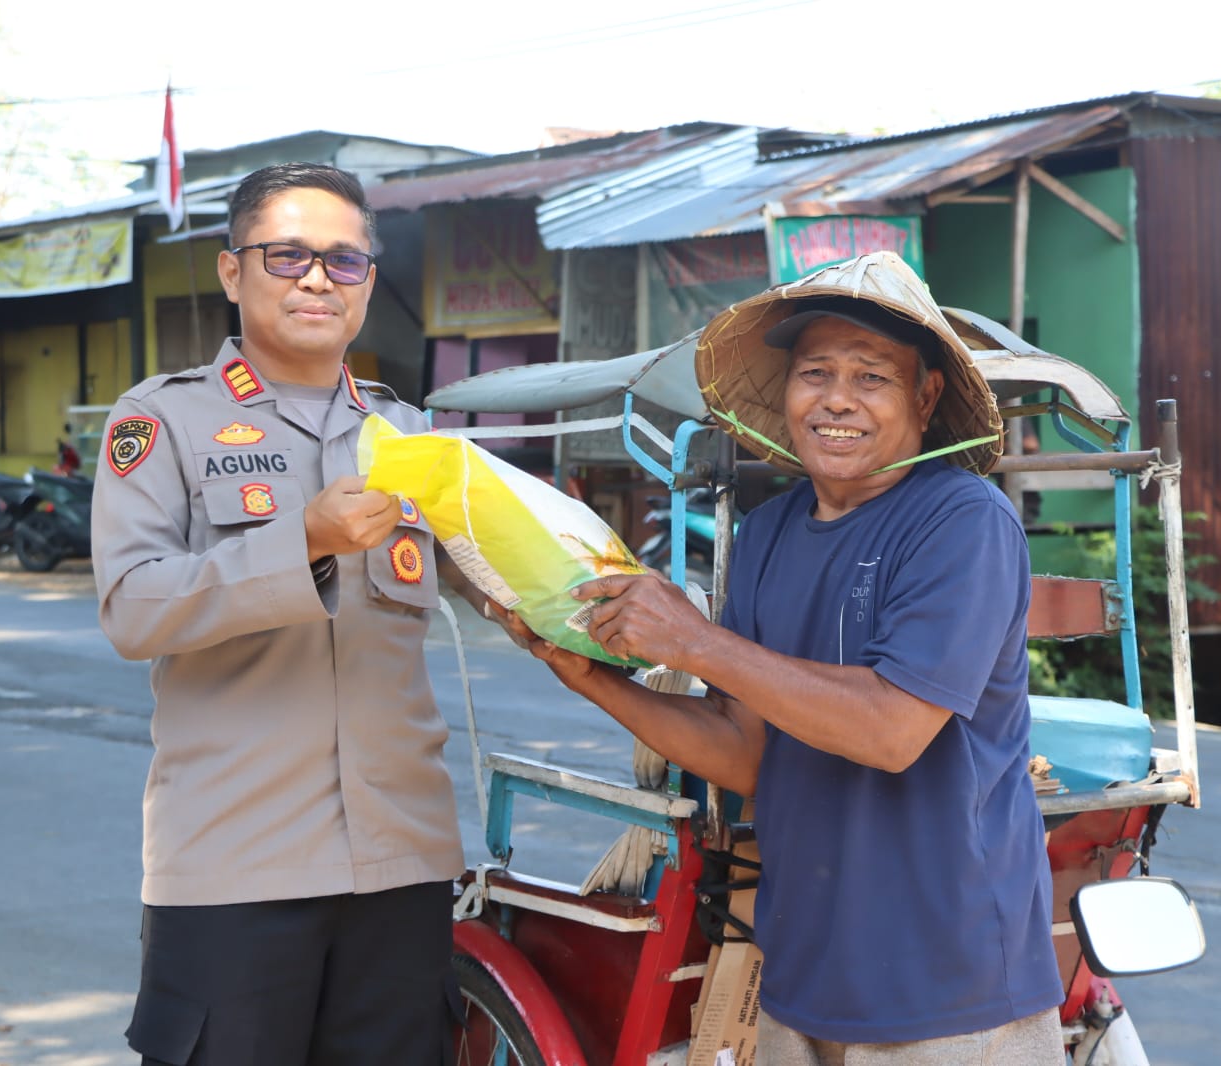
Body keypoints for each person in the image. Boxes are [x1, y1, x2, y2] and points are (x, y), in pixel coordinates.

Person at [504, 252, 1065, 1065]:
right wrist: (591, 677)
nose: (837, 399)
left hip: (950, 988)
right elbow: (745, 751)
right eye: (816, 373)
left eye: (871, 376)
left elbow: (891, 731)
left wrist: (694, 641)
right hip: (804, 972)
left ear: (926, 395)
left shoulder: (962, 521)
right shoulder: (767, 538)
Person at [92, 162, 479, 1066]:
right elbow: (133, 608)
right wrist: (302, 536)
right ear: (234, 273)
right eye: (288, 255)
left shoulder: (410, 440)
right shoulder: (163, 422)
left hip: (403, 864)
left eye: (343, 261)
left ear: (368, 283)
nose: (316, 278)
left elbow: (498, 587)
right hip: (235, 867)